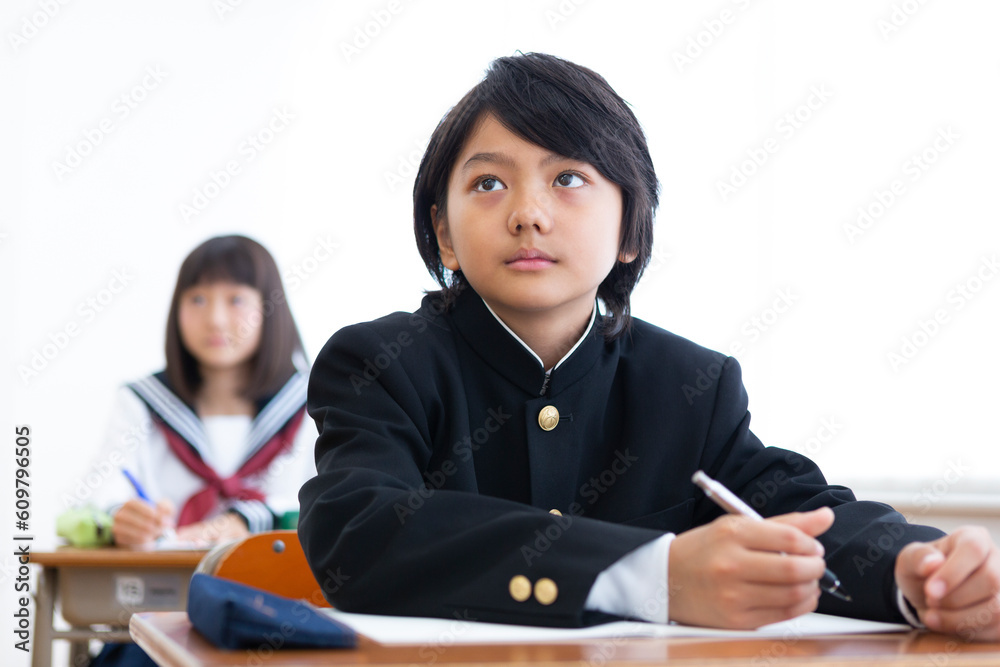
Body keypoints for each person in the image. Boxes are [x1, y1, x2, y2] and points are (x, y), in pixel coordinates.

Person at [298, 53, 1000, 639]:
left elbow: (796, 511)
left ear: (631, 227)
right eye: (488, 183)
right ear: (444, 234)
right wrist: (656, 573)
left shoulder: (688, 383)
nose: (528, 213)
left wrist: (918, 569)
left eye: (568, 178)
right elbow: (358, 530)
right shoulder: (379, 363)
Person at [87, 235, 317, 666]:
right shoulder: (142, 403)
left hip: (281, 614)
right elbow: (92, 500)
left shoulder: (315, 403)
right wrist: (121, 519)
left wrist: (247, 521)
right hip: (161, 615)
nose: (215, 318)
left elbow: (334, 503)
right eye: (197, 299)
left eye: (236, 299)